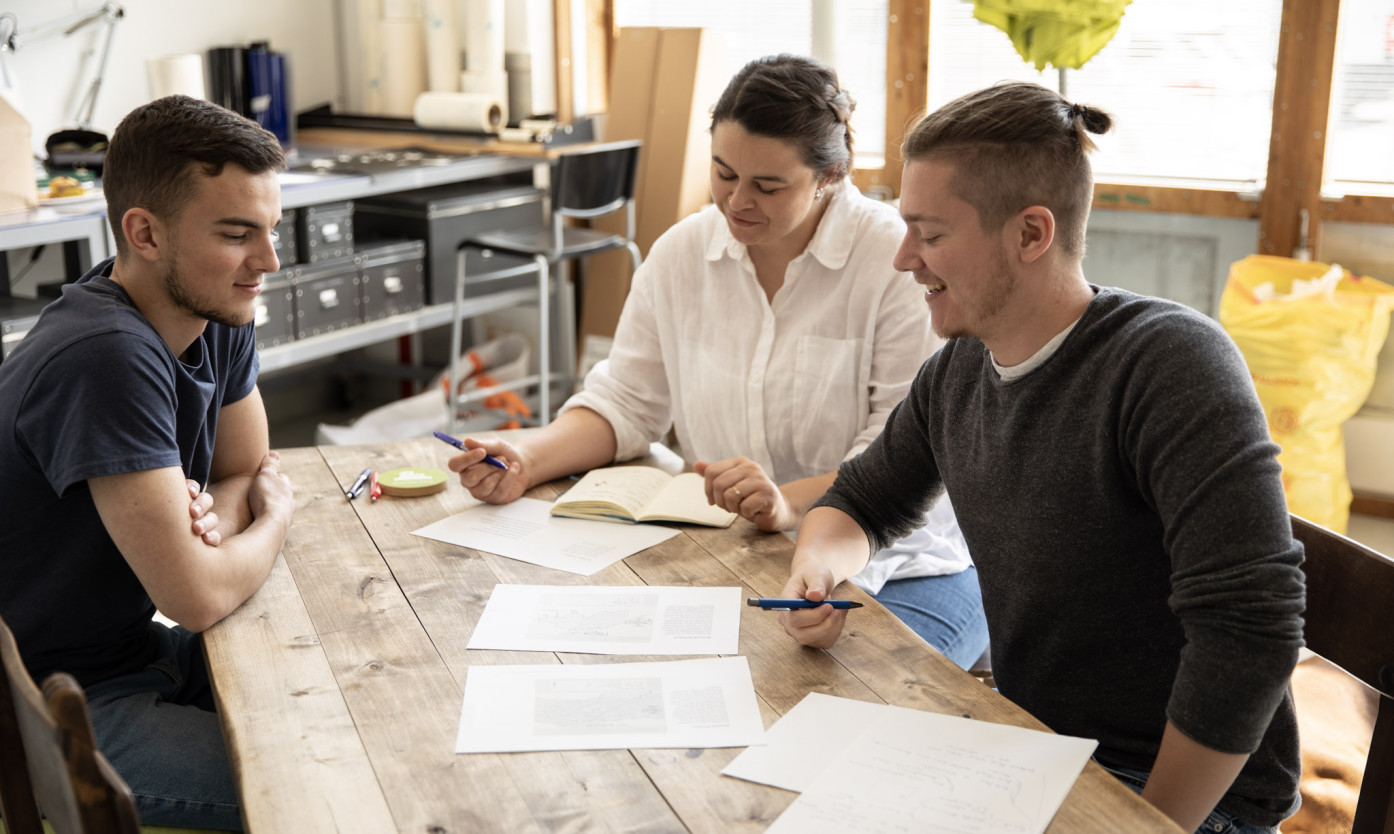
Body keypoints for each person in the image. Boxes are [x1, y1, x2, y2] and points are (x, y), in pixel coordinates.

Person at [776, 81, 1305, 833]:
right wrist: (821, 571)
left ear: (1031, 234)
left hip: (1181, 797)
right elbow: (861, 502)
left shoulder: (1170, 365)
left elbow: (1252, 633)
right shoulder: (959, 370)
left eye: (929, 234)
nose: (903, 259)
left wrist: (1148, 824)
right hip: (1039, 755)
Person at [449, 54, 989, 668]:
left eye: (768, 185)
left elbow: (898, 456)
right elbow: (625, 402)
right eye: (723, 172)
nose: (737, 201)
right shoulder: (681, 255)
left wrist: (785, 503)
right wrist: (527, 458)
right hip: (737, 555)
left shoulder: (894, 264)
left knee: (843, 713)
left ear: (831, 175)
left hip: (904, 566)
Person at [0, 95, 295, 830]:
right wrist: (275, 519)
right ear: (145, 233)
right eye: (237, 234)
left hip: (134, 650)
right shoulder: (107, 354)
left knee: (361, 706)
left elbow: (241, 469)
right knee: (326, 780)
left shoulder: (214, 306)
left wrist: (214, 524)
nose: (267, 262)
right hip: (54, 702)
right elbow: (198, 596)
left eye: (270, 231)